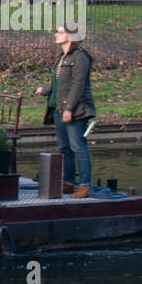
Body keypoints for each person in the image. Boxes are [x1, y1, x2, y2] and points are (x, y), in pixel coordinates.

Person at [34, 22, 96, 198]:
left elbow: (78, 85)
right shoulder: (62, 57)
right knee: (65, 148)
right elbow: (60, 84)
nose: (56, 34)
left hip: (75, 111)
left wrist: (69, 109)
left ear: (71, 36)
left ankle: (84, 186)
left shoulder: (80, 57)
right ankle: (69, 183)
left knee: (78, 147)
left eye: (60, 32)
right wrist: (45, 90)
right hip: (58, 109)